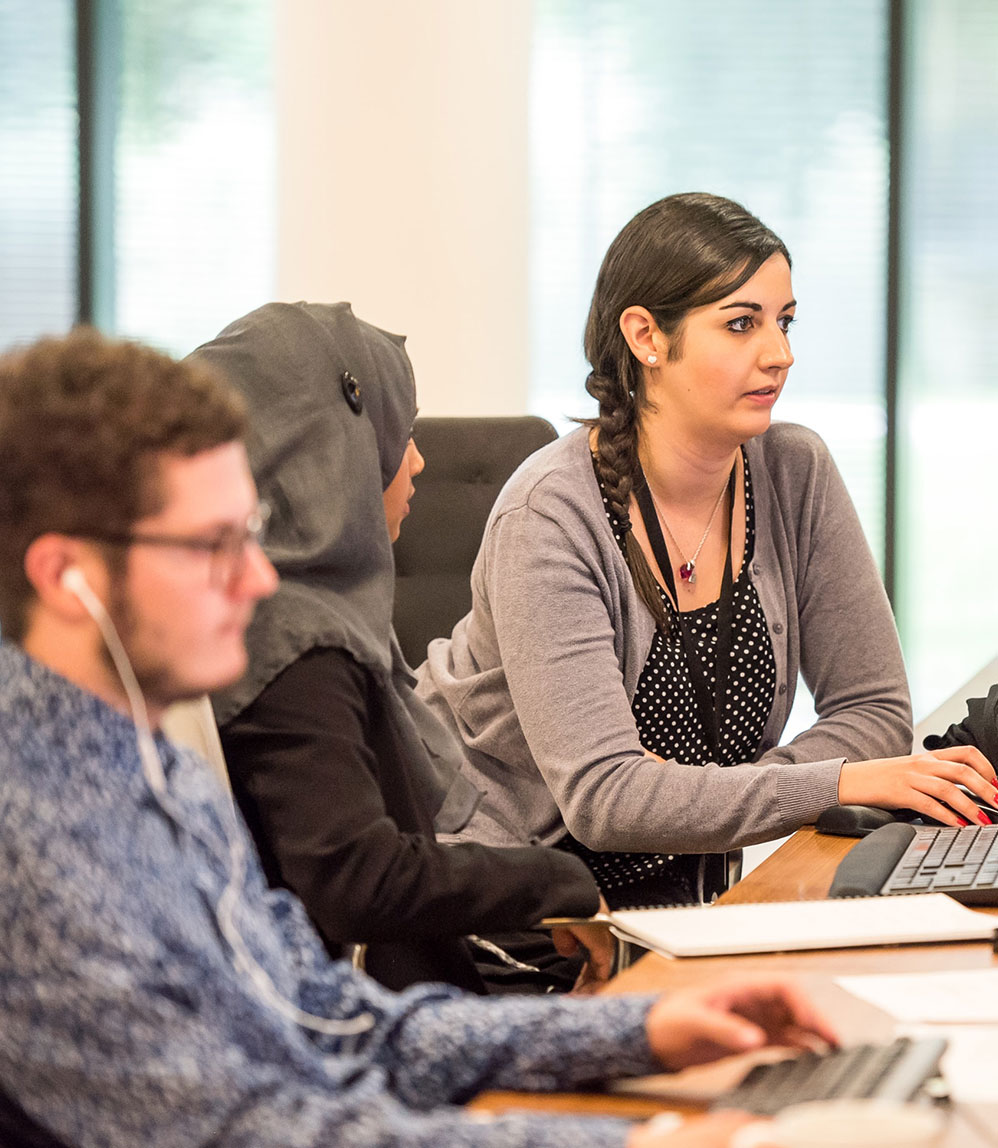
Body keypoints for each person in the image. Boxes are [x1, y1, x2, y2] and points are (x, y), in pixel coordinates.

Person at [1, 327, 836, 1148]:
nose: (258, 578)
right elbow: (246, 1126)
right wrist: (626, 1143)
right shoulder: (34, 841)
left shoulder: (149, 770)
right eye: (212, 544)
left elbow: (331, 1020)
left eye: (249, 533)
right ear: (65, 579)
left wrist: (637, 1032)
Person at [416, 192, 997, 909]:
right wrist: (835, 780)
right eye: (741, 324)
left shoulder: (793, 470)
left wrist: (693, 793)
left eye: (783, 322)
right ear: (646, 337)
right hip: (522, 912)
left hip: (690, 903)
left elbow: (874, 710)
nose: (780, 354)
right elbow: (605, 798)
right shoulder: (552, 514)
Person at [191, 301, 611, 995]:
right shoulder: (296, 644)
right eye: (400, 433)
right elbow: (357, 880)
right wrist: (553, 882)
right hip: (376, 1022)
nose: (417, 461)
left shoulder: (286, 615)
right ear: (330, 448)